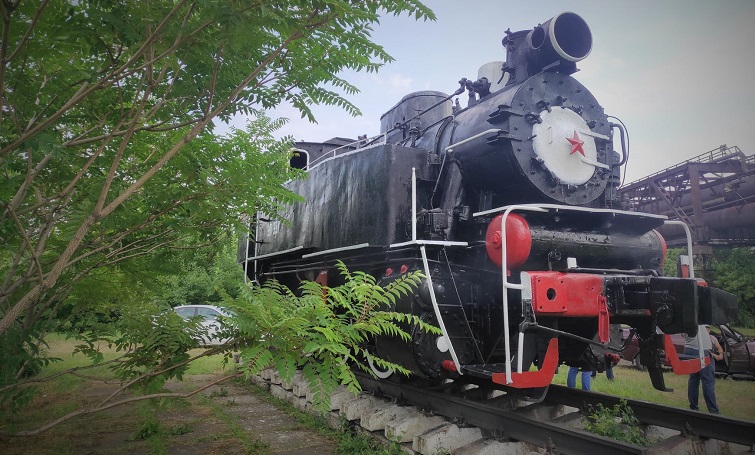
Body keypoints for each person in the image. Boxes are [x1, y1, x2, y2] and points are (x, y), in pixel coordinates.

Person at [685, 325, 724, 414]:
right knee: (708, 380)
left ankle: (693, 407)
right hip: (702, 348)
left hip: (689, 347)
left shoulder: (684, 319)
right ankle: (713, 410)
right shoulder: (700, 318)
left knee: (693, 379)